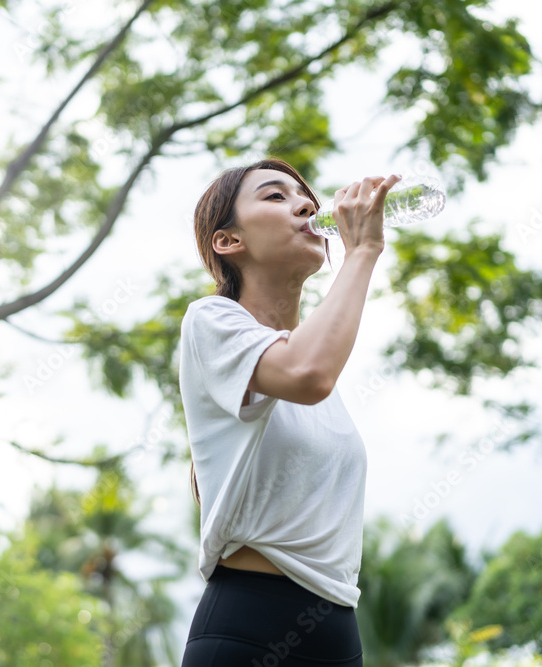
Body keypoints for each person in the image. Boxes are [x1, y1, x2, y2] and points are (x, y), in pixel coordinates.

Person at [178, 157, 400, 666]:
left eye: (307, 199)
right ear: (228, 241)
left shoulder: (314, 367)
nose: (305, 204)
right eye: (275, 196)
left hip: (339, 636)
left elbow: (309, 368)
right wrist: (364, 250)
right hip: (248, 628)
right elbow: (307, 374)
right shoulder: (209, 320)